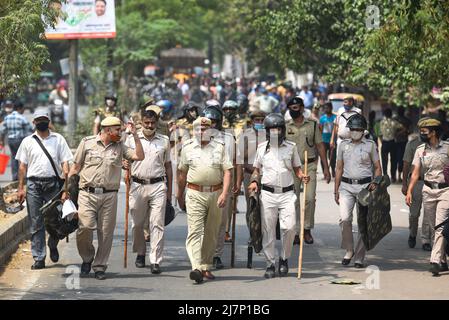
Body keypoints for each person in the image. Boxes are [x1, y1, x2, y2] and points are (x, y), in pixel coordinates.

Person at [68, 116, 144, 280]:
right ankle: (87, 258)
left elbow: (139, 156)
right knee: (85, 228)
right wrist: (66, 193)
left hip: (109, 195)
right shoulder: (87, 143)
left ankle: (99, 266)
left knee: (106, 232)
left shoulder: (120, 146)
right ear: (107, 130)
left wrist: (136, 135)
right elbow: (75, 168)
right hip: (86, 194)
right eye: (118, 130)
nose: (120, 132)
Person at [248, 113, 309, 278]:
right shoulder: (261, 149)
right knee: (268, 231)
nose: (275, 132)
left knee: (289, 228)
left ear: (283, 130)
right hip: (267, 194)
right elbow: (256, 170)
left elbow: (296, 168)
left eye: (278, 129)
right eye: (272, 130)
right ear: (267, 132)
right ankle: (270, 264)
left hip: (287, 194)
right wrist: (254, 182)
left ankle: (284, 258)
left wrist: (302, 175)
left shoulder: (291, 147)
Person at [177, 117, 232, 284]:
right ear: (193, 131)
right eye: (198, 129)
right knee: (195, 231)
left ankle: (206, 266)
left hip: (215, 194)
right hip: (194, 193)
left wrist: (224, 193)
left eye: (205, 129)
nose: (202, 132)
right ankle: (196, 267)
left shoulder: (220, 147)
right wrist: (179, 195)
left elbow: (228, 171)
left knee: (211, 232)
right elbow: (182, 174)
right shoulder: (187, 148)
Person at [15, 110, 73, 270]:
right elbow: (22, 166)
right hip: (33, 185)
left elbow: (65, 164)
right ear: (34, 122)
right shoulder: (27, 141)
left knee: (55, 221)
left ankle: (52, 243)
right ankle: (39, 257)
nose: (41, 122)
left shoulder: (58, 139)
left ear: (48, 121)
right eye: (38, 119)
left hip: (53, 185)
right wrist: (21, 188)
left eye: (44, 119)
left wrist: (66, 189)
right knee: (36, 222)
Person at [125, 109, 172, 274]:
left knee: (157, 224)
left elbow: (168, 166)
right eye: (147, 123)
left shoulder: (164, 140)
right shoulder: (131, 140)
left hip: (158, 185)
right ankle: (140, 252)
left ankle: (155, 260)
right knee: (137, 224)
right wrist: (125, 166)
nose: (150, 126)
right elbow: (126, 160)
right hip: (137, 185)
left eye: (153, 123)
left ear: (157, 123)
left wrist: (169, 193)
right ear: (141, 123)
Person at [334, 113, 382, 268]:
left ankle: (359, 257)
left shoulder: (370, 145)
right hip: (346, 187)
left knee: (363, 222)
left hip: (365, 188)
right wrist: (336, 190)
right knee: (344, 219)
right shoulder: (343, 145)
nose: (355, 131)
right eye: (352, 128)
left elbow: (377, 167)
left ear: (363, 130)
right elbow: (339, 168)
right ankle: (349, 250)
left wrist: (376, 182)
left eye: (358, 129)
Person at [406, 118, 449, 276]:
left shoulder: (447, 148)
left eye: (425, 131)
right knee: (433, 227)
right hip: (428, 190)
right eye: (421, 131)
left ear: (434, 132)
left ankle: (435, 261)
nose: (422, 134)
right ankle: (443, 260)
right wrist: (410, 190)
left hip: (446, 191)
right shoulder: (420, 150)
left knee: (440, 226)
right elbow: (416, 172)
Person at [285, 96, 331, 245]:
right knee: (294, 200)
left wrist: (326, 168)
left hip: (309, 165)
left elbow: (320, 146)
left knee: (309, 198)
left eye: (296, 108)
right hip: (292, 168)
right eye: (291, 108)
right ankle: (296, 231)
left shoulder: (312, 125)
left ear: (302, 108)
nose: (294, 110)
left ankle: (307, 229)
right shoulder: (286, 127)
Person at [202, 106, 235, 269]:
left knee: (220, 222)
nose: (211, 125)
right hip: (202, 185)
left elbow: (235, 163)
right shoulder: (196, 138)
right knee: (202, 221)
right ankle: (201, 254)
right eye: (208, 122)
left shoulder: (229, 138)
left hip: (223, 185)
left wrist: (235, 184)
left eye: (214, 122)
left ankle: (216, 255)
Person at [235, 110, 266, 266]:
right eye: (257, 120)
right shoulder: (245, 135)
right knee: (251, 206)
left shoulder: (271, 134)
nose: (259, 122)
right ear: (252, 121)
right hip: (249, 174)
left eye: (262, 119)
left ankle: (265, 234)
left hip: (266, 175)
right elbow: (240, 158)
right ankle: (252, 233)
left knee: (266, 206)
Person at [401, 127, 432, 251]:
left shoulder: (437, 145)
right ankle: (413, 234)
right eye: (422, 129)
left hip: (431, 182)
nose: (425, 132)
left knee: (429, 213)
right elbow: (406, 164)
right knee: (414, 214)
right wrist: (404, 184)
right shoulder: (413, 144)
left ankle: (426, 240)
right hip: (416, 182)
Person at [0, 101, 33, 180]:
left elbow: (2, 131)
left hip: (11, 140)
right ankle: (24, 176)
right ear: (19, 108)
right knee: (23, 157)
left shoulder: (7, 117)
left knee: (14, 157)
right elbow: (30, 129)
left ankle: (15, 177)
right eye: (23, 109)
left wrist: (2, 141)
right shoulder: (21, 117)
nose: (23, 110)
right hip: (20, 140)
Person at [379, 108, 402, 182]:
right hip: (393, 142)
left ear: (384, 114)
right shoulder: (394, 122)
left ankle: (385, 176)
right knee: (393, 160)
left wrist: (380, 138)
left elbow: (378, 132)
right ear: (391, 114)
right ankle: (393, 177)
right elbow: (403, 128)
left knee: (384, 161)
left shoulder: (381, 122)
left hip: (384, 142)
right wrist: (397, 134)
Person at [394, 106, 411, 183]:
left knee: (396, 158)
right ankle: (400, 176)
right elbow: (410, 131)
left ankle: (397, 176)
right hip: (404, 141)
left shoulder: (394, 120)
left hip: (396, 141)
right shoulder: (407, 120)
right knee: (403, 159)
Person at [319, 102, 337, 177]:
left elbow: (336, 129)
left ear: (331, 108)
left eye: (328, 108)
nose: (327, 109)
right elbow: (320, 129)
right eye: (325, 108)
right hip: (324, 141)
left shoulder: (335, 118)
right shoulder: (322, 118)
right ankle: (325, 173)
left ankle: (333, 170)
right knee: (323, 157)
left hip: (332, 140)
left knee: (332, 157)